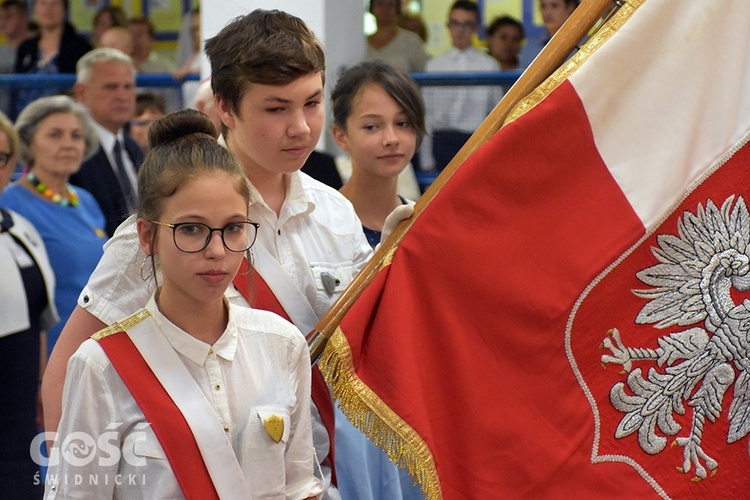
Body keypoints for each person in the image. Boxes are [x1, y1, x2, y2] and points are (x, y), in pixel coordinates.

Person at [42, 9, 395, 499]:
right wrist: (72, 481)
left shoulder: (335, 213)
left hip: (322, 478)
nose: (300, 127)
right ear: (225, 107)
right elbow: (69, 371)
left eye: (312, 102)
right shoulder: (165, 225)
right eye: (276, 109)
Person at [44, 109, 323, 498]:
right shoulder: (101, 366)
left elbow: (300, 487)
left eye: (233, 228)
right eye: (191, 229)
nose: (216, 251)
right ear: (146, 235)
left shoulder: (282, 344)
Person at [331, 60, 425, 500]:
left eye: (403, 123)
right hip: (341, 427)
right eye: (372, 126)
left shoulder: (426, 223)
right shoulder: (319, 226)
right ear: (340, 135)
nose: (391, 138)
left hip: (412, 414)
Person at [1, 95, 104, 359]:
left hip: (96, 348)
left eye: (76, 136)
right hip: (45, 350)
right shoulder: (11, 202)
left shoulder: (86, 200)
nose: (68, 144)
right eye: (55, 135)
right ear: (27, 143)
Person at [0, 110, 56, 500]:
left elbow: (39, 317)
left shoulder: (21, 228)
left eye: (1, 158)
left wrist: (41, 385)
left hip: (19, 412)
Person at [420, 0, 503, 171]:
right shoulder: (434, 66)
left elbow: (497, 115)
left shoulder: (489, 66)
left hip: (477, 142)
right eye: (455, 23)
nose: (460, 30)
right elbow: (426, 116)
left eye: (467, 24)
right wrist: (426, 159)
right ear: (448, 26)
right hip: (442, 142)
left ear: (476, 28)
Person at [70, 48, 143, 237]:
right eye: (111, 87)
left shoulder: (133, 147)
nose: (122, 95)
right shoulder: (72, 151)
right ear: (81, 92)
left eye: (128, 87)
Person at [14, 0, 92, 117]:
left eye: (54, 4)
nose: (48, 9)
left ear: (64, 8)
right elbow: (16, 87)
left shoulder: (81, 47)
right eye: (43, 4)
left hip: (64, 117)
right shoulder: (26, 47)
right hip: (24, 118)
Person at [366, 0, 428, 73]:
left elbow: (422, 74)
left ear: (398, 9)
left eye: (390, 5)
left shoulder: (412, 42)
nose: (385, 9)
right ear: (372, 9)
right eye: (380, 4)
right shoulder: (361, 42)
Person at [519, 0, 578, 68]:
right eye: (543, 6)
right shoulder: (530, 48)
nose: (547, 12)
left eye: (554, 6)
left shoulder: (586, 43)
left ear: (570, 7)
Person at [0, 0, 31, 117]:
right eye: (1, 17)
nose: (3, 22)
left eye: (9, 17)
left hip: (26, 116)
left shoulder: (36, 52)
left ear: (24, 18)